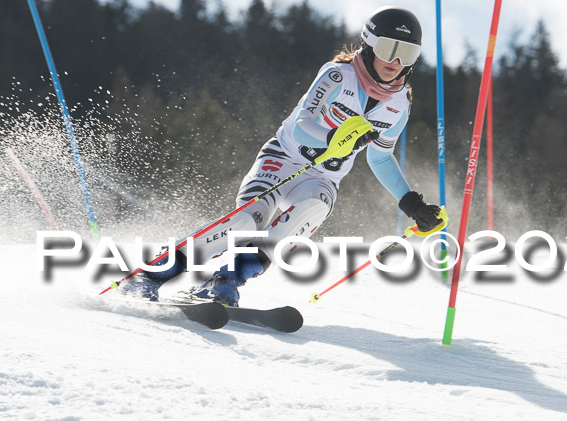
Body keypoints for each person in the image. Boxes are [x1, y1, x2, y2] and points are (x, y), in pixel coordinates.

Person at [121, 6, 443, 305]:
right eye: (389, 49)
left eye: (408, 53)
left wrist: (412, 204)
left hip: (322, 179)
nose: (397, 62)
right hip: (283, 160)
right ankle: (150, 274)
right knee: (247, 222)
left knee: (309, 212)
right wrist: (333, 139)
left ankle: (226, 280)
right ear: (370, 44)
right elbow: (302, 125)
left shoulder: (399, 105)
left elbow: (381, 158)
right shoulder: (336, 76)